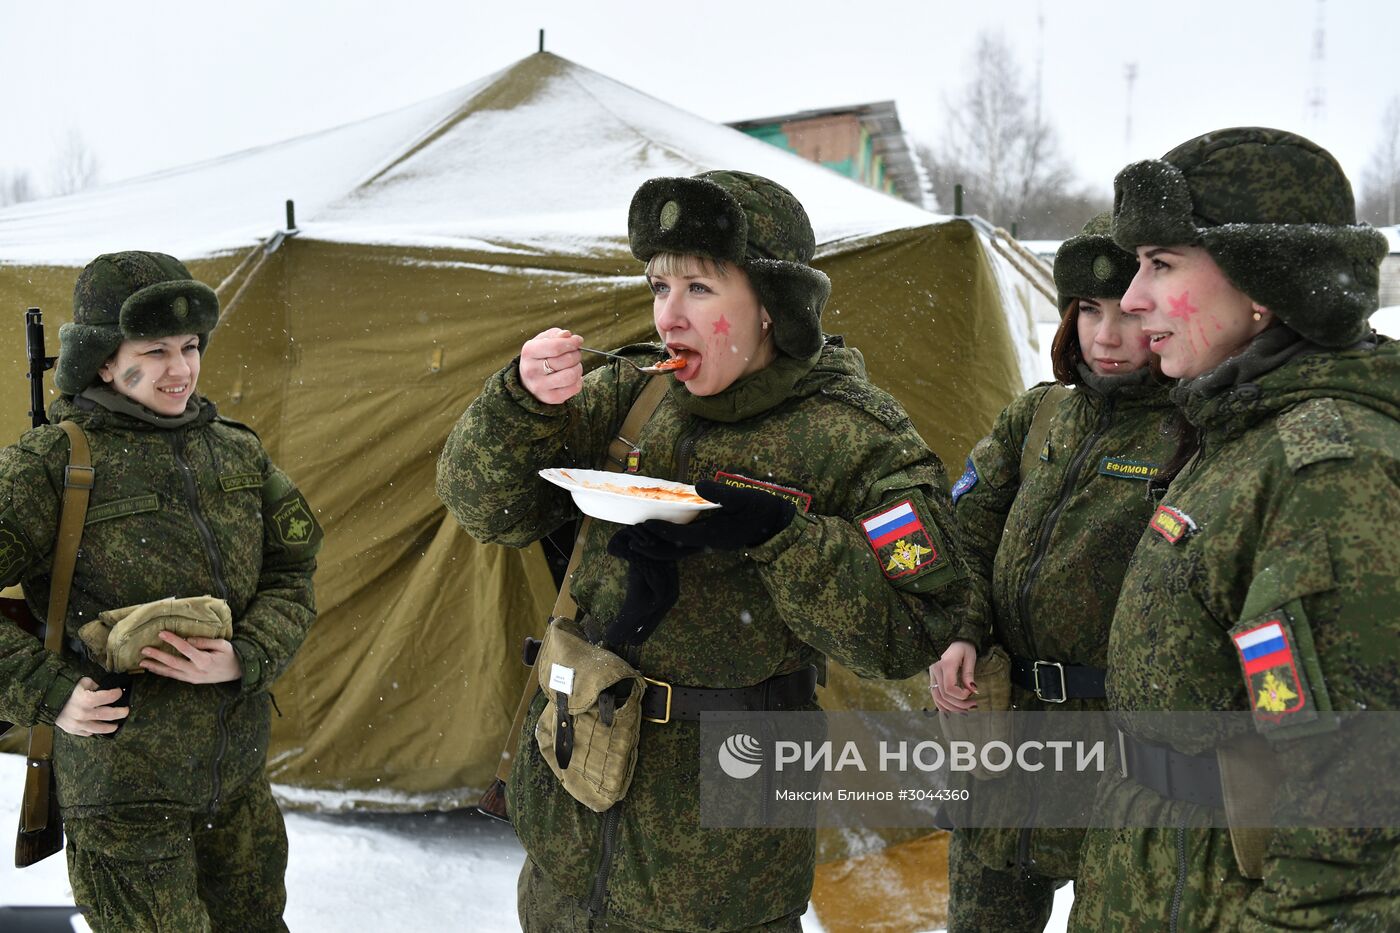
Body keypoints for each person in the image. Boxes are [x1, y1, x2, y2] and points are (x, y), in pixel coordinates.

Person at [437, 170, 975, 931]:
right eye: (660, 288)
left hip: (720, 873)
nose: (669, 316)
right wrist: (520, 402)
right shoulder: (636, 395)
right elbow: (484, 507)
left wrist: (781, 536)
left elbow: (918, 623)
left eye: (700, 288)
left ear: (773, 306)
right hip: (572, 838)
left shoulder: (856, 436)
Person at [1069, 128, 1399, 930]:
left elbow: (1354, 820)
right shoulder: (1242, 433)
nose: (1134, 296)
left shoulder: (1325, 469)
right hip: (1159, 875)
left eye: (1163, 264)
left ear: (1265, 284)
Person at [0, 251, 322, 932]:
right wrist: (50, 693)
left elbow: (293, 572)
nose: (182, 368)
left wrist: (248, 652)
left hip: (236, 786)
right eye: (155, 350)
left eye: (190, 346)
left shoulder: (235, 451)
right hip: (124, 801)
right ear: (105, 363)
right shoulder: (54, 464)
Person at [928, 213, 1173, 931]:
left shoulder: (1194, 429)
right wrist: (963, 629)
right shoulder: (1039, 415)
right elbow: (963, 532)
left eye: (1128, 311)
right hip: (1003, 734)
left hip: (1122, 755)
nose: (1107, 335)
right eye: (1088, 310)